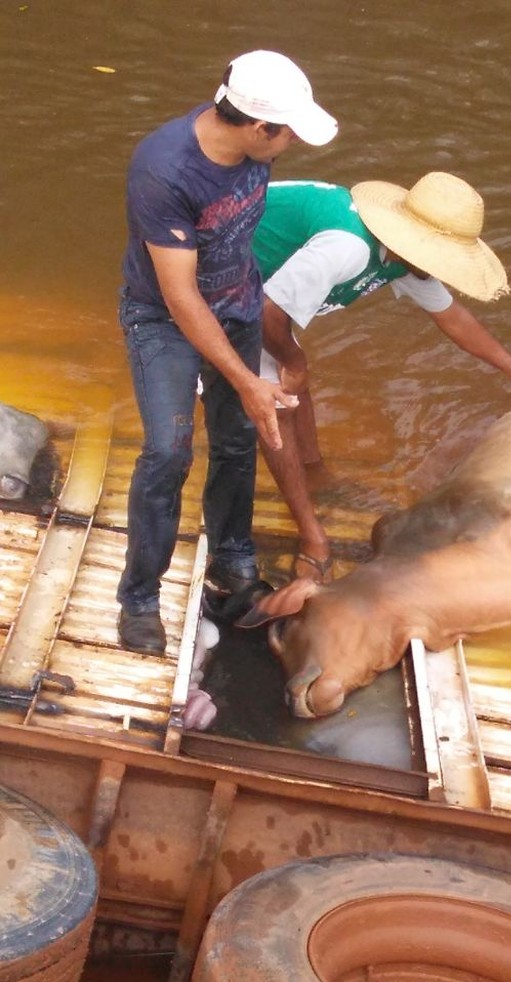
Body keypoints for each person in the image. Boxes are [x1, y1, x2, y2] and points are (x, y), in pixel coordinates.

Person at [116, 51, 338, 654]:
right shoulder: (164, 171)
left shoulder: (250, 149)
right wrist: (245, 376)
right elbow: (180, 296)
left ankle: (233, 555)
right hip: (163, 319)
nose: (291, 142)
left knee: (239, 438)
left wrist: (259, 358)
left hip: (238, 301)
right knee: (167, 452)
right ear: (256, 126)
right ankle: (139, 597)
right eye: (287, 132)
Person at [252, 173, 511, 579]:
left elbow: (455, 320)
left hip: (266, 286)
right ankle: (312, 536)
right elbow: (266, 314)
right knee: (279, 403)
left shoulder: (403, 262)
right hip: (223, 274)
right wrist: (294, 363)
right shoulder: (346, 247)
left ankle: (314, 473)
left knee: (293, 373)